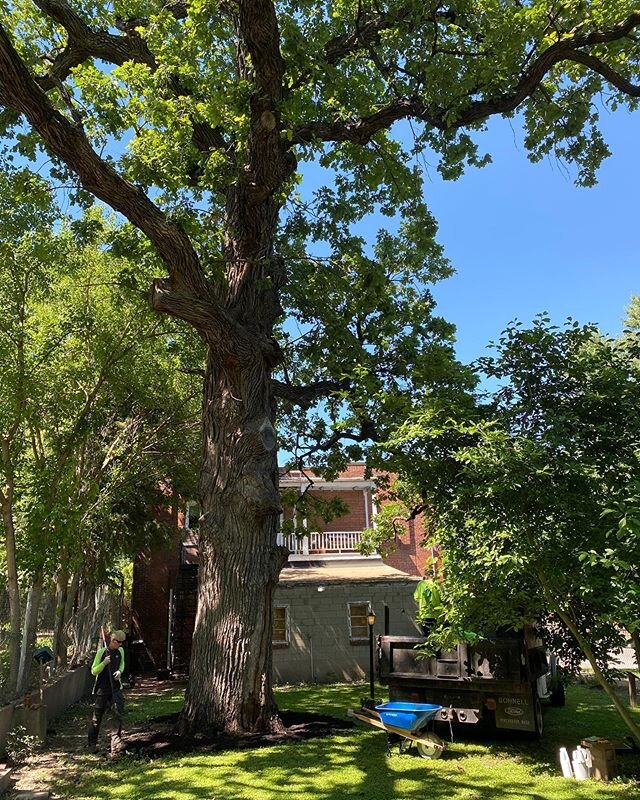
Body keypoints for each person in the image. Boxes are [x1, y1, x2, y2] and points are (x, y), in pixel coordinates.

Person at [88, 629, 126, 754]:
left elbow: (122, 664)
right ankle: (92, 744)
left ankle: (115, 744)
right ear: (112, 640)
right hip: (102, 690)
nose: (120, 644)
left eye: (121, 642)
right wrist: (104, 663)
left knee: (117, 715)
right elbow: (94, 671)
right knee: (96, 718)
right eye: (118, 642)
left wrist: (120, 672)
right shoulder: (102, 652)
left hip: (115, 689)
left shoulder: (120, 651)